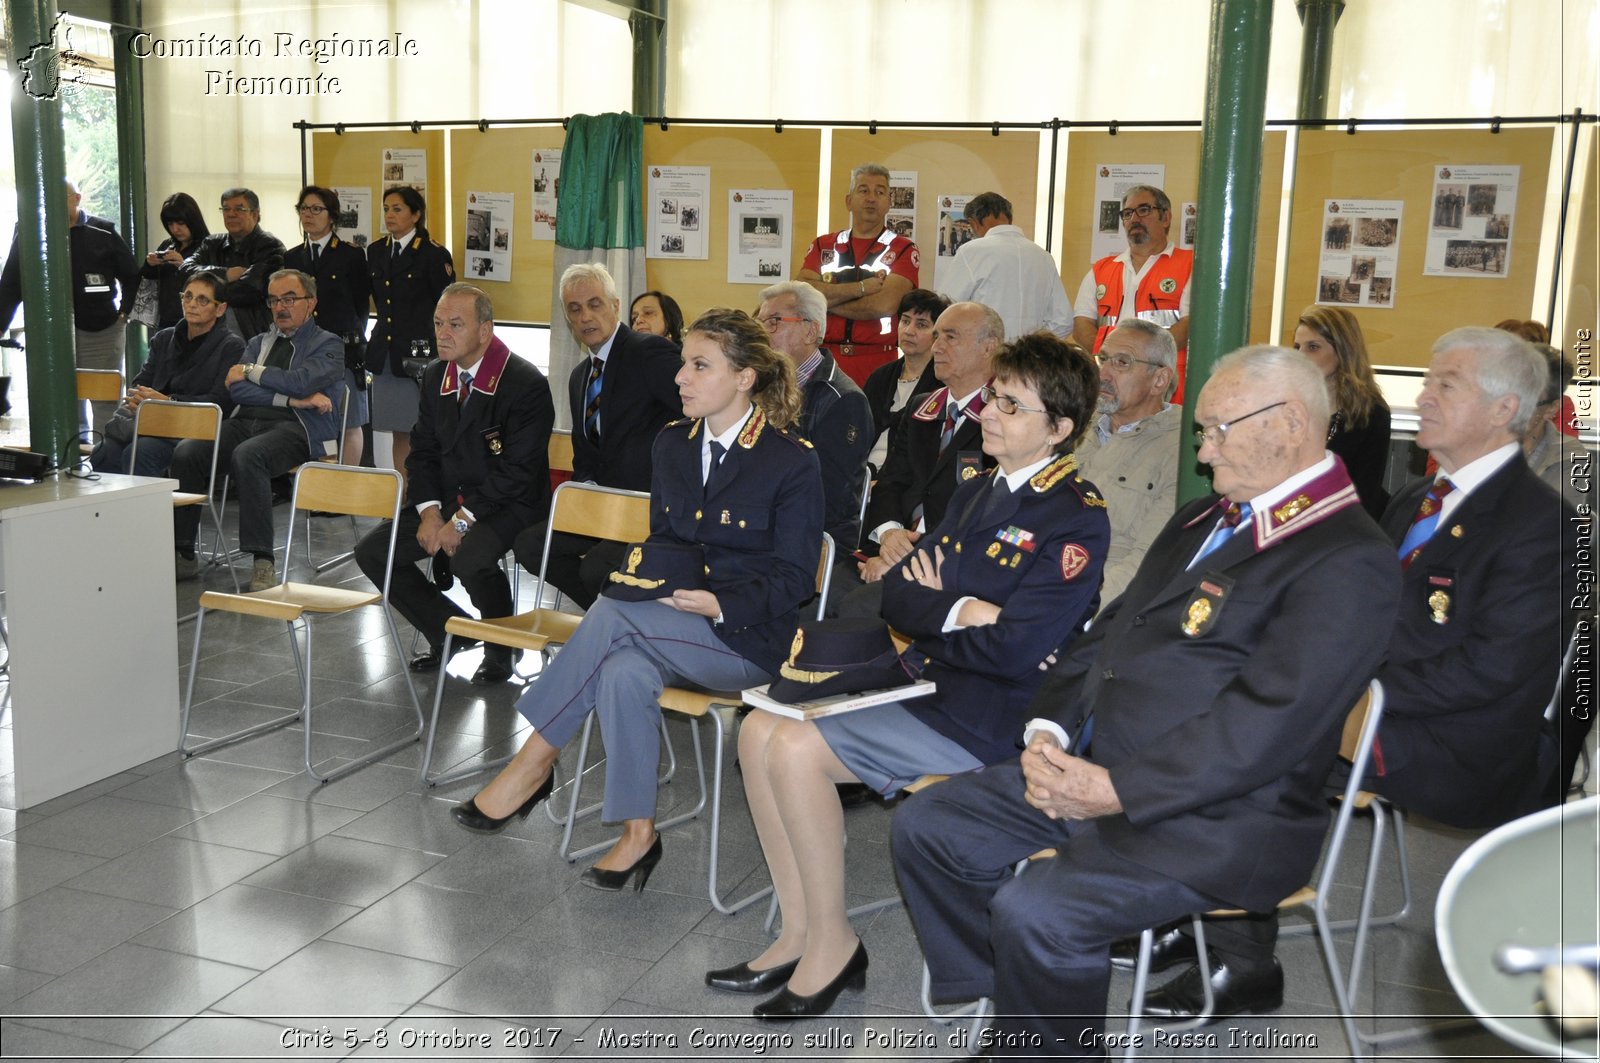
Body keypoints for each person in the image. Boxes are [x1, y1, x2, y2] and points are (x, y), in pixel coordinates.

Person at [890, 345, 1400, 1056]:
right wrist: (1048, 732)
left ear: (1288, 424)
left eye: (1218, 429)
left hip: (1220, 817)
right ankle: (1018, 1004)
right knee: (931, 824)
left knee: (1038, 908)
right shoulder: (1206, 517)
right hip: (1107, 769)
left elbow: (1265, 726)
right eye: (1203, 430)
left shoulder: (1348, 557)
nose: (1203, 448)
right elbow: (1109, 631)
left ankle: (1041, 1031)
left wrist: (1116, 789)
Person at [1142, 327, 1584, 1023]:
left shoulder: (1543, 525)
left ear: (1506, 410)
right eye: (1428, 378)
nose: (1425, 396)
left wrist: (1337, 689)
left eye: (1447, 384)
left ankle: (1242, 958)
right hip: (1371, 703)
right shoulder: (1417, 500)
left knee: (1255, 746)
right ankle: (1195, 897)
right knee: (1212, 708)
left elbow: (1491, 673)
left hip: (1454, 740)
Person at [715, 334, 1108, 1022]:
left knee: (794, 748)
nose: (989, 414)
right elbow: (901, 598)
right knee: (757, 731)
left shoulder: (1075, 514)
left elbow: (1020, 651)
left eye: (1013, 406)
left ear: (1060, 428)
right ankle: (803, 931)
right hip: (931, 686)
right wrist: (964, 610)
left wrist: (944, 612)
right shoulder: (976, 491)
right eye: (993, 398)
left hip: (995, 720)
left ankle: (833, 945)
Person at [450, 308, 824, 890]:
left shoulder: (790, 460)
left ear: (745, 377)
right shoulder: (673, 444)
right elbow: (667, 542)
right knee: (622, 669)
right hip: (670, 623)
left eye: (700, 366)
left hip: (747, 638)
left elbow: (797, 577)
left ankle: (534, 761)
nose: (681, 378)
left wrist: (717, 604)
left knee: (614, 615)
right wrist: (665, 589)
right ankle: (637, 833)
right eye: (682, 364)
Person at [355, 284, 553, 686]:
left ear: (485, 330)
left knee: (468, 555)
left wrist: (459, 521)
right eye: (438, 323)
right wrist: (429, 512)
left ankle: (502, 645)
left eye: (455, 325)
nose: (442, 334)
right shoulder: (434, 375)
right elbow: (423, 451)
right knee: (374, 551)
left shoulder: (524, 381)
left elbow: (517, 471)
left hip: (508, 503)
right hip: (448, 499)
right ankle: (448, 629)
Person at [511, 263, 682, 609]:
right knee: (530, 546)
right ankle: (607, 616)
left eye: (595, 304)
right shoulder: (579, 377)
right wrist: (586, 494)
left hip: (647, 508)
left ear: (615, 306)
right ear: (567, 318)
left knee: (595, 569)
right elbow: (584, 453)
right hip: (601, 505)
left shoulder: (648, 352)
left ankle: (617, 621)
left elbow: (695, 416)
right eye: (575, 309)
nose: (586, 316)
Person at [170, 270, 343, 591]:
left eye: (289, 299)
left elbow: (303, 380)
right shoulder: (257, 342)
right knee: (188, 452)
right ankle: (183, 552)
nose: (281, 307)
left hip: (298, 428)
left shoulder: (328, 343)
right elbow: (237, 391)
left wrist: (252, 371)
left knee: (250, 455)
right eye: (274, 300)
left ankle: (262, 560)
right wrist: (293, 398)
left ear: (311, 302)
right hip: (245, 420)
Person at [834, 301, 1002, 618]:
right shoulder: (924, 406)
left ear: (988, 348)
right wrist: (889, 534)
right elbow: (891, 481)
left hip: (948, 564)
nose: (937, 347)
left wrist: (905, 558)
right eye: (936, 336)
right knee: (821, 591)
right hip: (890, 546)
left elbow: (982, 513)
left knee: (855, 611)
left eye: (950, 337)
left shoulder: (1003, 416)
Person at [0, 178, 140, 436]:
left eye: (58, 198)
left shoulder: (103, 231)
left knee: (104, 399)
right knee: (62, 399)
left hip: (101, 331)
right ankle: (70, 462)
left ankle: (104, 459)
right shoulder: (29, 231)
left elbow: (132, 275)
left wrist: (124, 313)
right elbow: (10, 284)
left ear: (77, 199)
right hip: (52, 336)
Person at [758, 281, 873, 549]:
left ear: (811, 331)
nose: (763, 332)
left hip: (813, 540)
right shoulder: (759, 384)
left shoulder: (844, 400)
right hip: (765, 523)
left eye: (774, 321)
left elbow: (828, 499)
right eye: (760, 322)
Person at [1074, 318, 1182, 604]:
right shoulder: (1074, 427)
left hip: (1099, 605)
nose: (1105, 373)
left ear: (1159, 380)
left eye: (1122, 362)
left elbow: (1146, 563)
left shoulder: (1181, 450)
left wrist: (1071, 616)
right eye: (1104, 358)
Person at [90, 272, 240, 477]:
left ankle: (148, 510)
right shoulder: (164, 338)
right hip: (149, 421)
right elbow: (141, 382)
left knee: (140, 452)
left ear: (220, 309)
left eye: (202, 299)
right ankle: (112, 509)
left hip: (192, 427)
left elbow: (221, 401)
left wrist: (168, 401)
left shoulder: (232, 346)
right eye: (187, 296)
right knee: (103, 452)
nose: (192, 304)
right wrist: (141, 397)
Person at [798, 163, 920, 386]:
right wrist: (862, 289)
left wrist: (823, 301)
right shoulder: (823, 245)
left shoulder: (903, 249)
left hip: (877, 362)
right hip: (824, 359)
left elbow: (883, 305)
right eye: (863, 190)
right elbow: (802, 292)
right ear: (849, 201)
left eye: (880, 192)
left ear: (889, 203)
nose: (871, 198)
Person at [1070, 184, 1192, 398]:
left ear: (1165, 218)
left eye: (1144, 210)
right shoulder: (1101, 269)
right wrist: (1114, 360)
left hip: (1162, 386)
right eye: (1127, 213)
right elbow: (1081, 327)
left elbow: (1190, 325)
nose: (1134, 219)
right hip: (1107, 384)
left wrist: (1140, 362)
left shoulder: (1189, 265)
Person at [366, 185, 454, 482]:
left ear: (416, 215)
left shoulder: (433, 254)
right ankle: (403, 497)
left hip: (421, 356)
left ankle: (429, 493)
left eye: (398, 209)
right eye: (387, 208)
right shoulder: (376, 251)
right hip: (387, 354)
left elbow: (446, 306)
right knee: (399, 430)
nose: (390, 215)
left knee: (428, 430)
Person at [284, 185, 372, 466]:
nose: (308, 215)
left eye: (316, 209)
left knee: (350, 418)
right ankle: (320, 487)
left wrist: (354, 336)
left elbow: (360, 306)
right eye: (304, 209)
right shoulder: (293, 257)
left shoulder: (351, 255)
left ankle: (345, 485)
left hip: (343, 348)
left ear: (332, 216)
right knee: (313, 416)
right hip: (305, 350)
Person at [1292, 305, 1392, 517]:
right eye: (1297, 347)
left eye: (1313, 347)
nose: (1300, 357)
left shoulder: (1371, 413)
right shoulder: (1288, 406)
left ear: (1342, 351)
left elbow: (1364, 495)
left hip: (1342, 524)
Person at [939, 192, 1072, 340]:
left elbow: (945, 309)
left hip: (984, 355)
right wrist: (1034, 349)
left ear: (974, 223)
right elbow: (1063, 321)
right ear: (1009, 219)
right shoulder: (1044, 257)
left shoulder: (971, 251)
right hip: (1028, 358)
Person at [180, 187, 286, 341]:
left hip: (251, 333)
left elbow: (247, 291)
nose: (231, 214)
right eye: (226, 209)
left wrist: (203, 291)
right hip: (204, 331)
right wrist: (226, 274)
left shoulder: (270, 246)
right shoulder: (212, 243)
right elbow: (184, 271)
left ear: (255, 214)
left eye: (239, 209)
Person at [860, 289, 947, 470]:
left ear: (937, 335)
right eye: (905, 321)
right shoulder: (880, 378)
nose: (909, 331)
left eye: (921, 325)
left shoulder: (942, 385)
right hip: (864, 475)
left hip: (906, 482)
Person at [1523, 343, 1597, 513]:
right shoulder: (1474, 440)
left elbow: (1551, 525)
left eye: (1525, 401)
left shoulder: (1570, 457)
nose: (1508, 408)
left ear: (1552, 408)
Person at [140, 192, 209, 330]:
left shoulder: (208, 246)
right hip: (165, 320)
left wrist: (184, 265)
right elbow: (147, 278)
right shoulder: (168, 245)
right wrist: (150, 264)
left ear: (192, 220)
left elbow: (211, 284)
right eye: (170, 224)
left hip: (197, 320)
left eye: (181, 223)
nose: (175, 229)